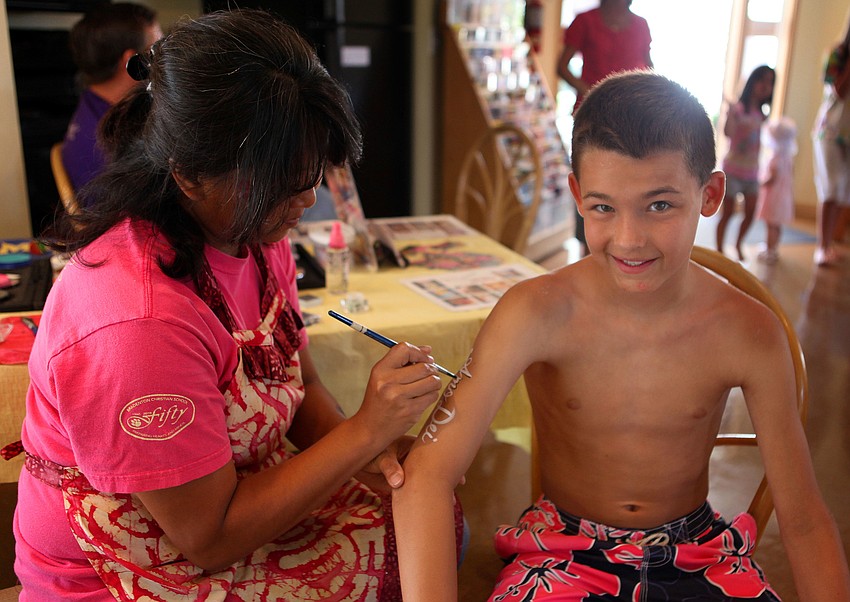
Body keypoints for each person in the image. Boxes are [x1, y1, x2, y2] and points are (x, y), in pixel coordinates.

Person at [14, 9, 462, 600]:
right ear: (191, 176)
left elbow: (300, 390)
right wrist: (364, 433)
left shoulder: (252, 233)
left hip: (234, 504)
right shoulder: (134, 320)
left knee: (429, 517)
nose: (308, 199)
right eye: (286, 180)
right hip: (130, 567)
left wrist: (374, 456)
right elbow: (209, 537)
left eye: (312, 175)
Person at [393, 71, 850, 601]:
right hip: (561, 551)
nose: (629, 240)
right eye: (604, 207)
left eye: (659, 205)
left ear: (711, 194)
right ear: (577, 195)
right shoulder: (534, 313)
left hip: (699, 551)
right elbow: (426, 475)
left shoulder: (748, 331)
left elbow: (804, 520)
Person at [557, 0, 653, 257]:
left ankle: (621, 249)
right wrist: (587, 91)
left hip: (629, 117)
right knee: (590, 183)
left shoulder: (641, 25)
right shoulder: (585, 21)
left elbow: (648, 68)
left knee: (626, 182)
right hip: (592, 116)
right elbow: (562, 66)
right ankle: (587, 252)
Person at [61, 2, 161, 197]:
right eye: (156, 51)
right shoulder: (114, 144)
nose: (162, 60)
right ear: (133, 61)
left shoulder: (92, 107)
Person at [715, 65, 775, 261]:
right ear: (752, 82)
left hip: (752, 173)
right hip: (732, 169)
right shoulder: (739, 109)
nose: (765, 86)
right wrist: (731, 115)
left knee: (751, 212)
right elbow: (728, 133)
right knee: (728, 213)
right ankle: (719, 251)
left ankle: (738, 244)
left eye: (770, 82)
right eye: (762, 80)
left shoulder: (762, 114)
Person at [812, 17, 850, 267]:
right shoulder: (837, 54)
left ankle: (829, 244)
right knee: (830, 188)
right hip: (830, 131)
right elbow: (838, 89)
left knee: (843, 191)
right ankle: (821, 246)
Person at [756, 117, 798, 264]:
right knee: (777, 225)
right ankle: (774, 248)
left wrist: (760, 182)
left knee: (770, 225)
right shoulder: (788, 157)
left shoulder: (775, 157)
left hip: (773, 196)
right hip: (785, 196)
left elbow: (772, 178)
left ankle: (769, 250)